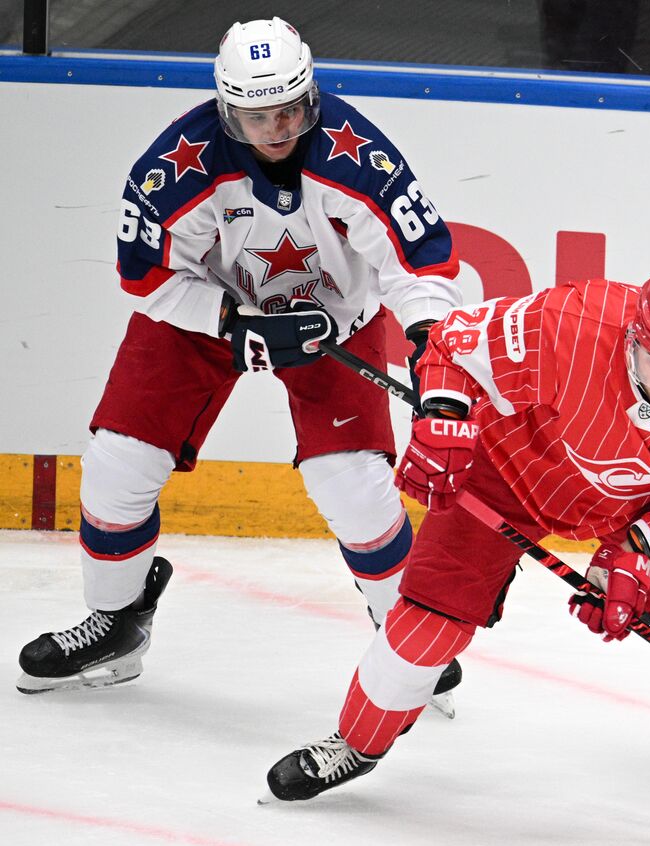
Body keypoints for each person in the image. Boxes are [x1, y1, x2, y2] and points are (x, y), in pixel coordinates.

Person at [265, 261, 650, 821]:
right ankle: (355, 745)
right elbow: (457, 343)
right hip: (509, 468)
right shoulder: (572, 321)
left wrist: (632, 556)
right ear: (631, 338)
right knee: (422, 629)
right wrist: (443, 416)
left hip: (637, 511)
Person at [17, 18, 463, 697]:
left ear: (310, 97)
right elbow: (146, 278)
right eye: (258, 116)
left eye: (289, 110)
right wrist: (226, 319)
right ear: (228, 111)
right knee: (116, 465)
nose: (277, 128)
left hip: (334, 323)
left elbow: (420, 264)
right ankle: (116, 619)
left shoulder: (357, 156)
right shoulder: (177, 167)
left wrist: (431, 341)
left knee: (352, 487)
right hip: (203, 315)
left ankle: (410, 643)